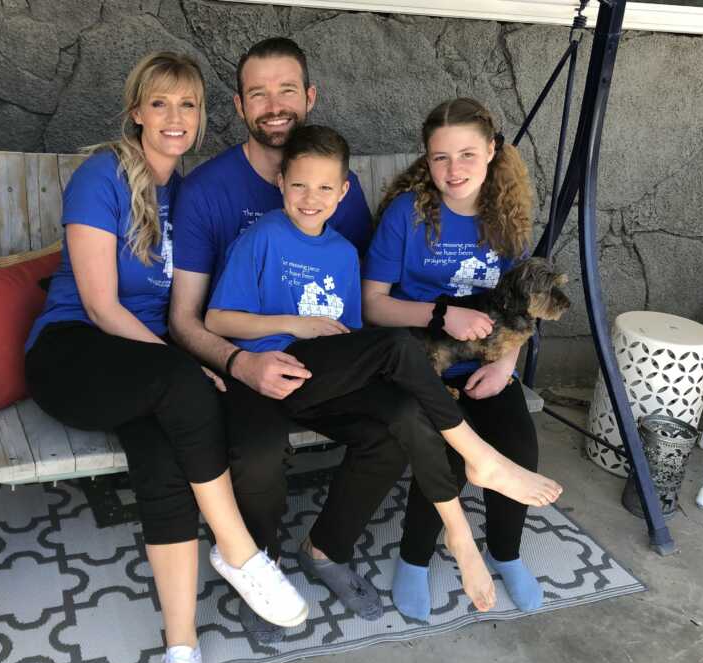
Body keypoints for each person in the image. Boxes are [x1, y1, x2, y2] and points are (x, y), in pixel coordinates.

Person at [23, 52, 307, 663]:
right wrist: (183, 367)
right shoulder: (103, 176)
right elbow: (99, 307)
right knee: (185, 385)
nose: (174, 117)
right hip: (75, 351)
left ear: (203, 116)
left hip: (149, 369)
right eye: (160, 103)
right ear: (136, 113)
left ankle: (181, 649)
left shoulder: (188, 191)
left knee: (163, 464)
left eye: (187, 105)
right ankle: (238, 550)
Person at [205, 124, 563, 614]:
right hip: (266, 365)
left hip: (318, 378)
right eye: (299, 185)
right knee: (395, 348)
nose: (311, 198)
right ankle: (261, 568)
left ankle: (325, 549)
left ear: (344, 192)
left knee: (400, 414)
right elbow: (217, 319)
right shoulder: (262, 236)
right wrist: (299, 324)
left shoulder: (341, 254)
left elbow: (351, 339)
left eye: (325, 187)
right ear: (280, 183)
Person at [170, 38, 401, 640]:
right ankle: (260, 566)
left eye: (287, 90)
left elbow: (355, 303)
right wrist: (241, 364)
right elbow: (189, 318)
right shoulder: (208, 191)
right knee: (257, 451)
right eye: (258, 93)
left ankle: (325, 548)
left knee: (389, 429)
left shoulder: (335, 190)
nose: (274, 105)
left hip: (320, 364)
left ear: (310, 97)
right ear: (241, 104)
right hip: (244, 358)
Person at [362, 97, 548, 621]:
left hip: (485, 360)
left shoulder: (506, 216)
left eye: (467, 154)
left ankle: (505, 553)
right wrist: (441, 314)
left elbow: (521, 305)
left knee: (516, 442)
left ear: (492, 150)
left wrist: (506, 364)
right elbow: (372, 303)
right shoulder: (408, 214)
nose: (454, 170)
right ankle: (415, 556)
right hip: (421, 362)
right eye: (441, 158)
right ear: (427, 159)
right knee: (442, 452)